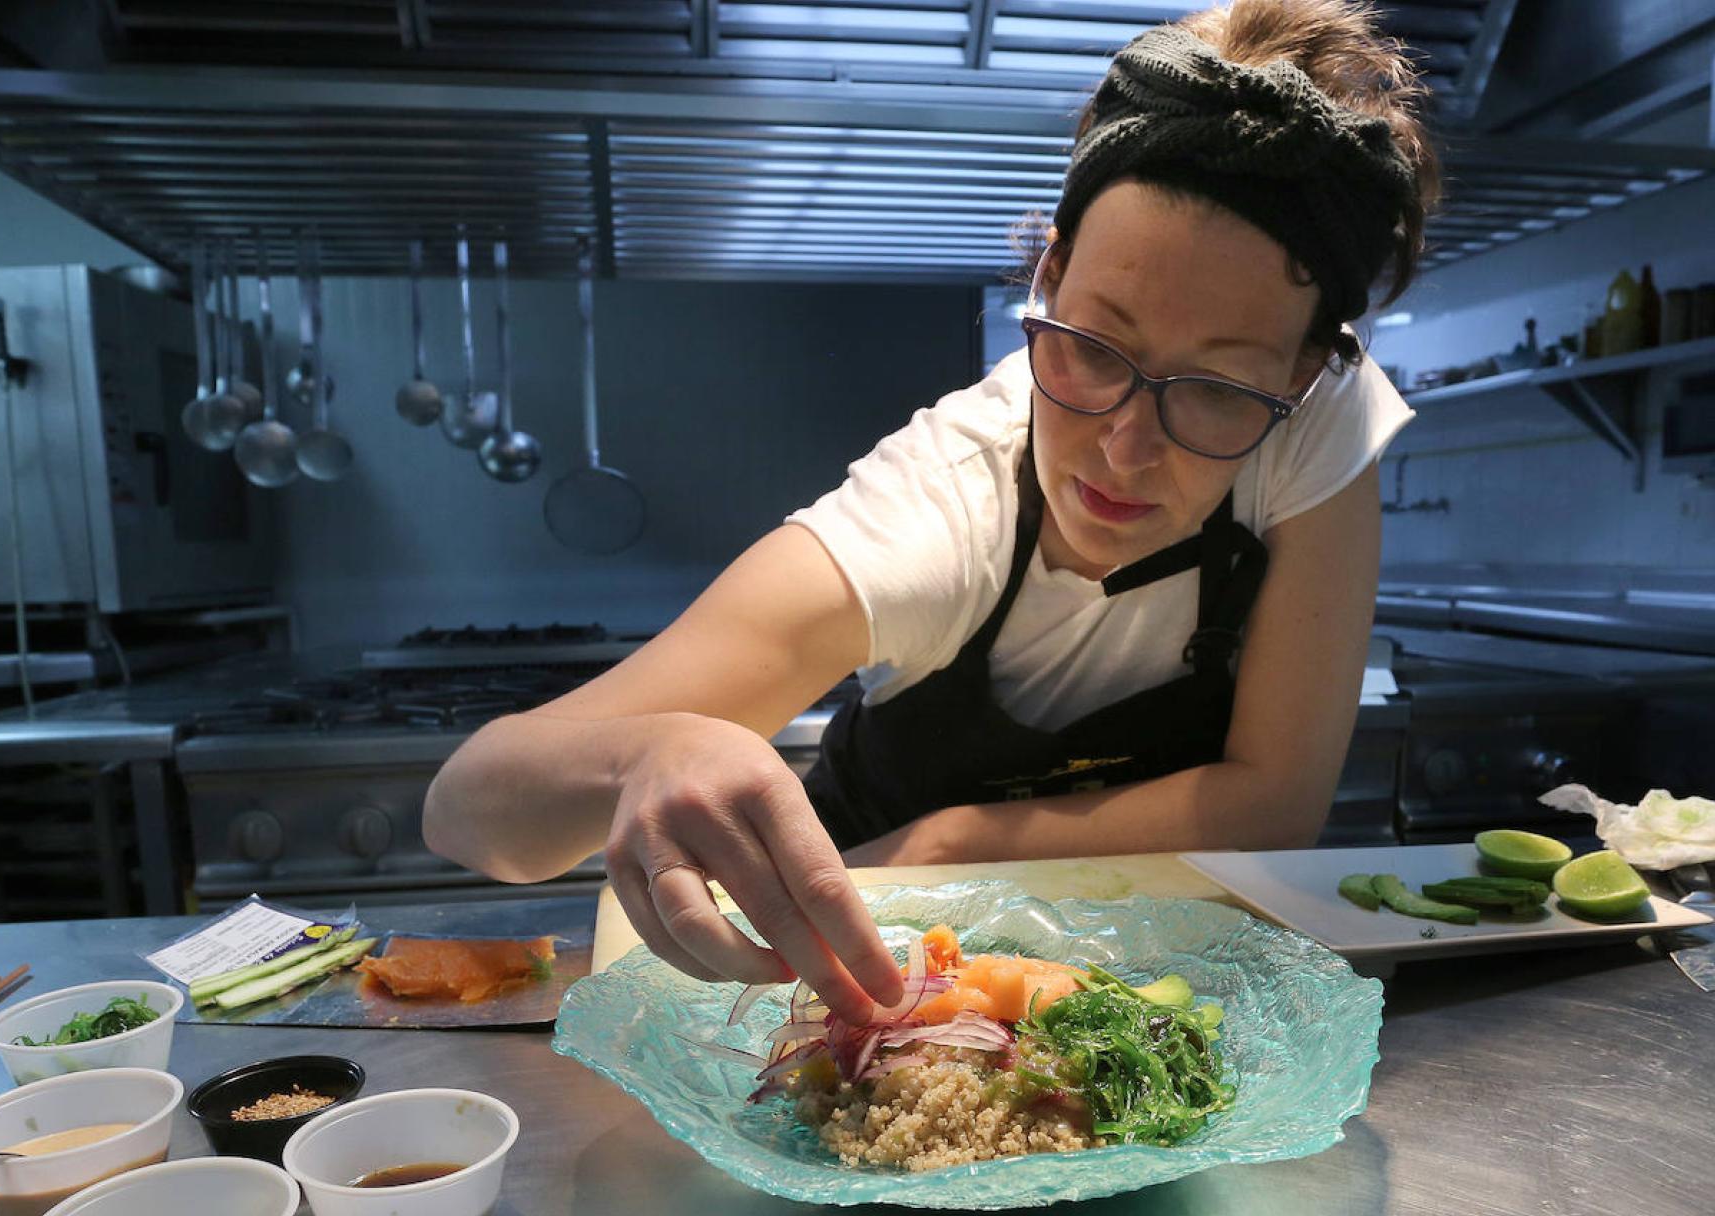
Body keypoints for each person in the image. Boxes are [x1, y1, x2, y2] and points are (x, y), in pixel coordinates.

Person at [425, 0, 1440, 1023]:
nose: (1127, 449)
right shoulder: (939, 510)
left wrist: (949, 845)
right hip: (835, 983)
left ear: (1307, 375)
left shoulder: (1318, 416)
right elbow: (469, 807)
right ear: (1047, 276)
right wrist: (644, 755)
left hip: (1126, 993)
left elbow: (1273, 803)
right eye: (1093, 344)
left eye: (1217, 389)